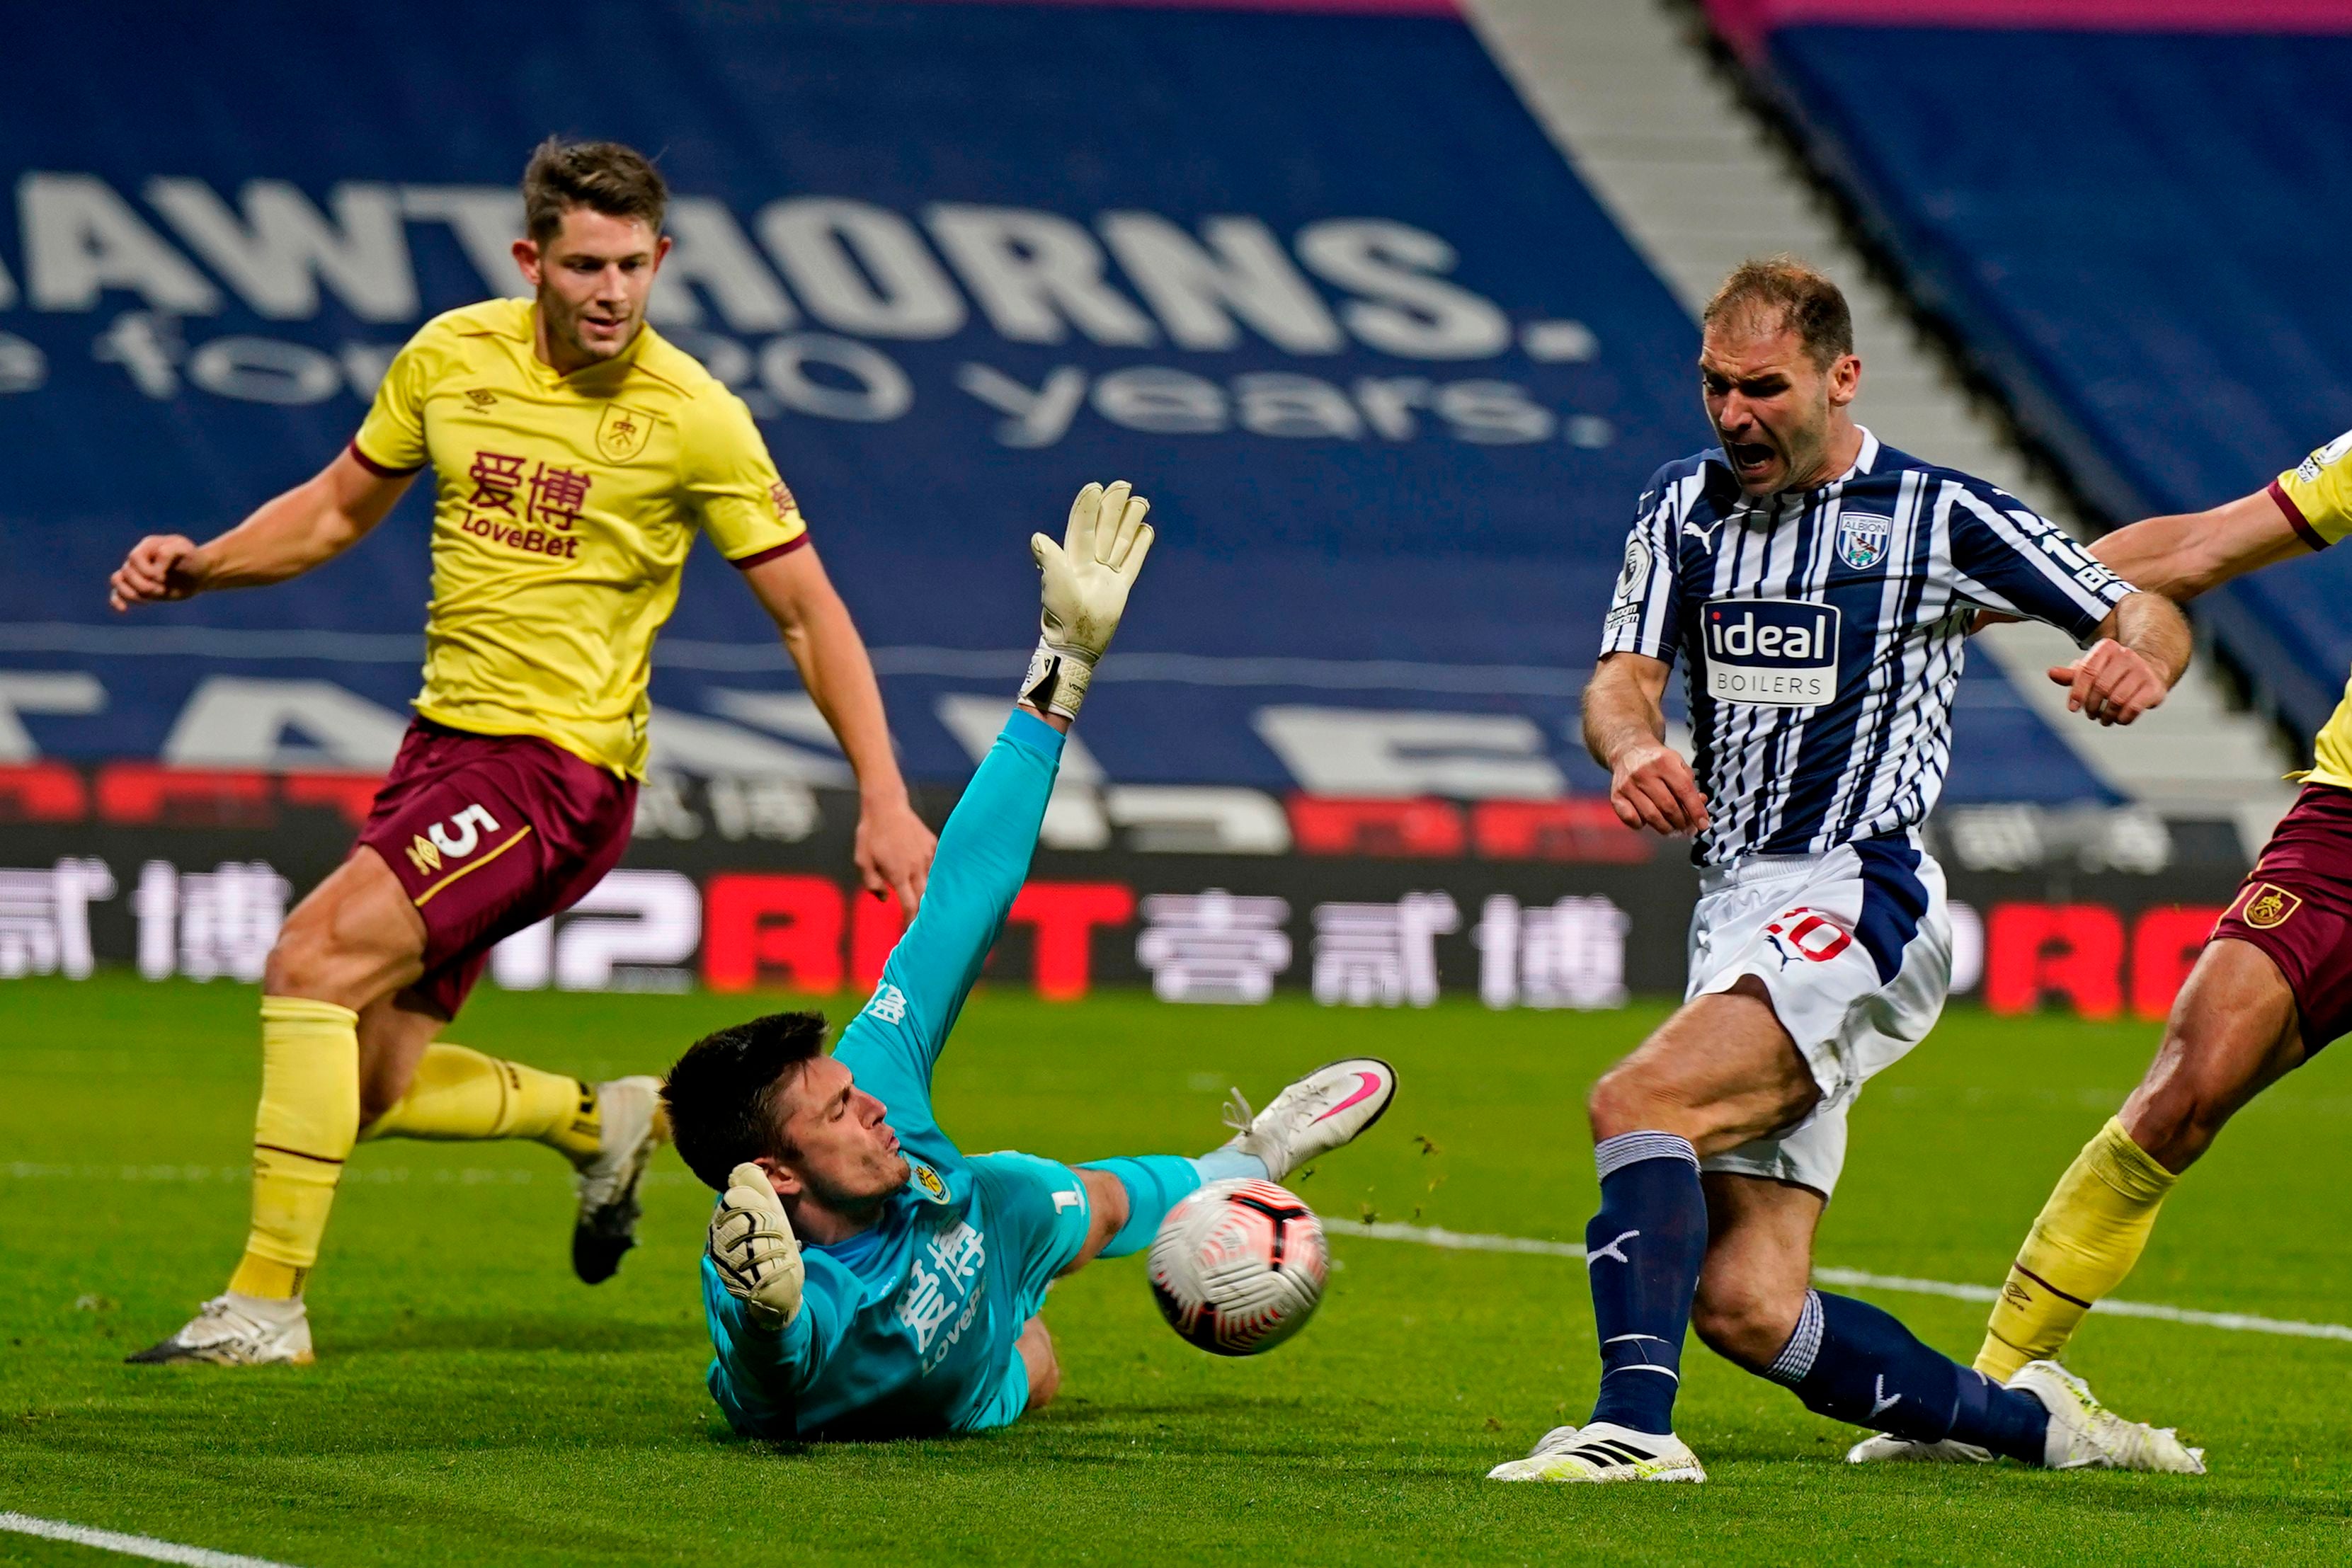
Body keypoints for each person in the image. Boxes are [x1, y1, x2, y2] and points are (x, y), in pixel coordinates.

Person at [112, 138, 935, 1367]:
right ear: (531, 260)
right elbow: (339, 506)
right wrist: (205, 565)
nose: (612, 292)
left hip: (554, 773)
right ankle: (600, 1121)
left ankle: (263, 1304)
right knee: (372, 1086)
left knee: (309, 959)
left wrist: (884, 794)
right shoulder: (451, 356)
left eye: (634, 267)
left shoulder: (693, 416)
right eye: (585, 265)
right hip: (443, 753)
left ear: (661, 261)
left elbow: (808, 612)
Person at [1487, 257, 2203, 1484]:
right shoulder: (1683, 508)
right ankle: (2034, 1426)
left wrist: (2139, 662)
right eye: (1713, 387)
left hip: (1858, 893)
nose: (1730, 416)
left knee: (1638, 1101)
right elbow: (1621, 675)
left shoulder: (1937, 516)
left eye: (1760, 388)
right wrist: (1633, 746)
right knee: (1749, 1308)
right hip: (1735, 908)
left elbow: (2138, 605)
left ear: (1840, 376)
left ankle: (1632, 1432)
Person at [663, 482, 1395, 1439]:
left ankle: (1248, 1160)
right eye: (839, 1111)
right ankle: (1062, 1295)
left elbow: (962, 901)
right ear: (778, 1177)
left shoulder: (882, 1094)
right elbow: (775, 1380)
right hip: (972, 1385)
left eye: (851, 1087)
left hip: (971, 1231)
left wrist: (1064, 665)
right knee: (1038, 1367)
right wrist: (766, 1322)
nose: (871, 1100)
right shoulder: (769, 1276)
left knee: (1062, 1198)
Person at [1854, 429, 2352, 1461]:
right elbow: (2201, 547)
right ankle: (1994, 1398)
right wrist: (2007, 587)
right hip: (2345, 831)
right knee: (2183, 1086)